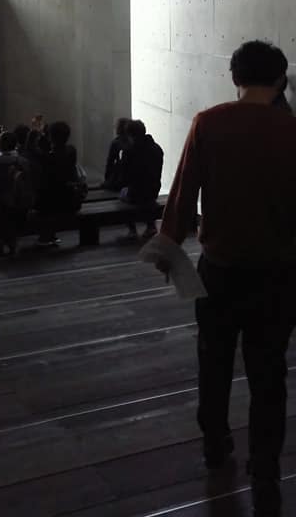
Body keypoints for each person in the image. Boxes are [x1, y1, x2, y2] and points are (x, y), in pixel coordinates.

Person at [151, 40, 296, 517]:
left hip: (218, 271)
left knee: (213, 363)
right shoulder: (291, 131)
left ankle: (216, 446)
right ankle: (266, 472)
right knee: (269, 373)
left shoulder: (208, 123)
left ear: (235, 78)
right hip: (278, 275)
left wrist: (168, 247)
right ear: (280, 79)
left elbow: (182, 192)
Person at [0, 131, 33, 255]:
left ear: (0, 145)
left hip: (0, 210)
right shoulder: (24, 162)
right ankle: (10, 241)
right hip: (22, 209)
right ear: (15, 144)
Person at [36, 121, 84, 246]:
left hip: (54, 203)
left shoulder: (47, 157)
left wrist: (42, 139)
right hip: (70, 200)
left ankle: (46, 235)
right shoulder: (71, 151)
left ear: (51, 137)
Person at [114, 119, 164, 241]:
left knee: (123, 194)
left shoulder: (129, 151)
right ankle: (151, 226)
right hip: (154, 190)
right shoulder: (157, 148)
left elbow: (124, 179)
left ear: (130, 135)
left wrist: (119, 162)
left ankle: (132, 230)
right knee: (147, 199)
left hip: (136, 193)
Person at [103, 117, 132, 190]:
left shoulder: (116, 143)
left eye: (116, 126)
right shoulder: (132, 142)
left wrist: (107, 179)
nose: (115, 128)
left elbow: (110, 162)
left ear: (120, 128)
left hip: (119, 179)